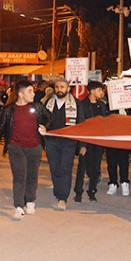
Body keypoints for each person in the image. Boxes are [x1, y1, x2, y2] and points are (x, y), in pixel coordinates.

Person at [0, 80, 51, 220]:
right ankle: (18, 206)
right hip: (15, 146)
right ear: (21, 93)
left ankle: (30, 201)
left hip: (35, 147)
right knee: (19, 176)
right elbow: (0, 127)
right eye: (30, 91)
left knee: (32, 175)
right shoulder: (8, 109)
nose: (33, 93)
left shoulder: (37, 106)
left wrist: (44, 126)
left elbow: (48, 117)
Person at [44, 78, 86, 211]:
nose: (59, 89)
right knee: (55, 168)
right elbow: (41, 120)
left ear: (68, 89)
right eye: (57, 87)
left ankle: (63, 198)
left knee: (65, 169)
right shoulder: (48, 103)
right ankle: (58, 193)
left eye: (62, 87)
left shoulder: (76, 103)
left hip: (69, 142)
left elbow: (81, 124)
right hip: (51, 141)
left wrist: (83, 144)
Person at [74, 80, 109, 202]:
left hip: (98, 141)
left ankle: (92, 191)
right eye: (100, 90)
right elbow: (81, 125)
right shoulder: (82, 104)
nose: (102, 93)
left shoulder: (102, 105)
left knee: (96, 167)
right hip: (86, 141)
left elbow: (106, 121)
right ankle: (78, 192)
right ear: (92, 91)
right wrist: (82, 144)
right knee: (82, 167)